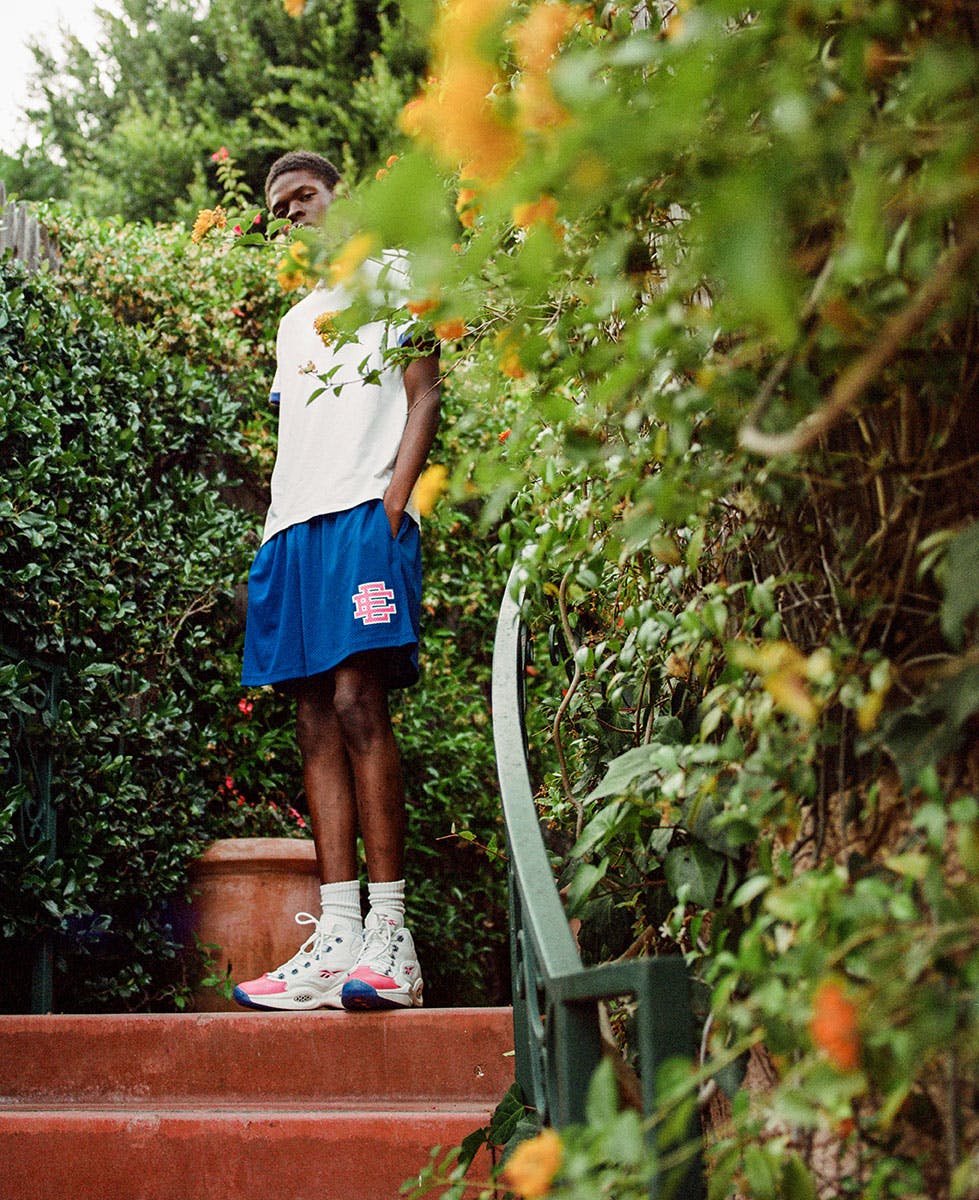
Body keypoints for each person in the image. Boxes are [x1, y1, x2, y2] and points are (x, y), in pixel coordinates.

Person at [232, 150, 441, 1012]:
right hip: (294, 530)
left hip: (365, 517)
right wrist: (276, 531)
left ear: (339, 199)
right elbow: (302, 434)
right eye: (279, 208)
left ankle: (394, 940)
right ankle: (338, 939)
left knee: (359, 700)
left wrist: (392, 507)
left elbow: (423, 394)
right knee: (314, 717)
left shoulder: (393, 277)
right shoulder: (292, 324)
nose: (293, 214)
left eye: (304, 196)